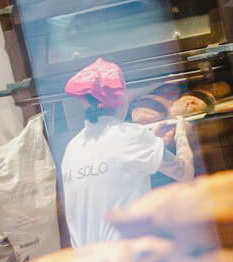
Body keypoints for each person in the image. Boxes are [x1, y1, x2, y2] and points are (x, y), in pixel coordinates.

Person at [60, 57, 192, 248]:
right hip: (129, 258)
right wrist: (181, 133)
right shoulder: (131, 136)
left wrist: (153, 143)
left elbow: (115, 163)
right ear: (121, 98)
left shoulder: (73, 147)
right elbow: (184, 173)